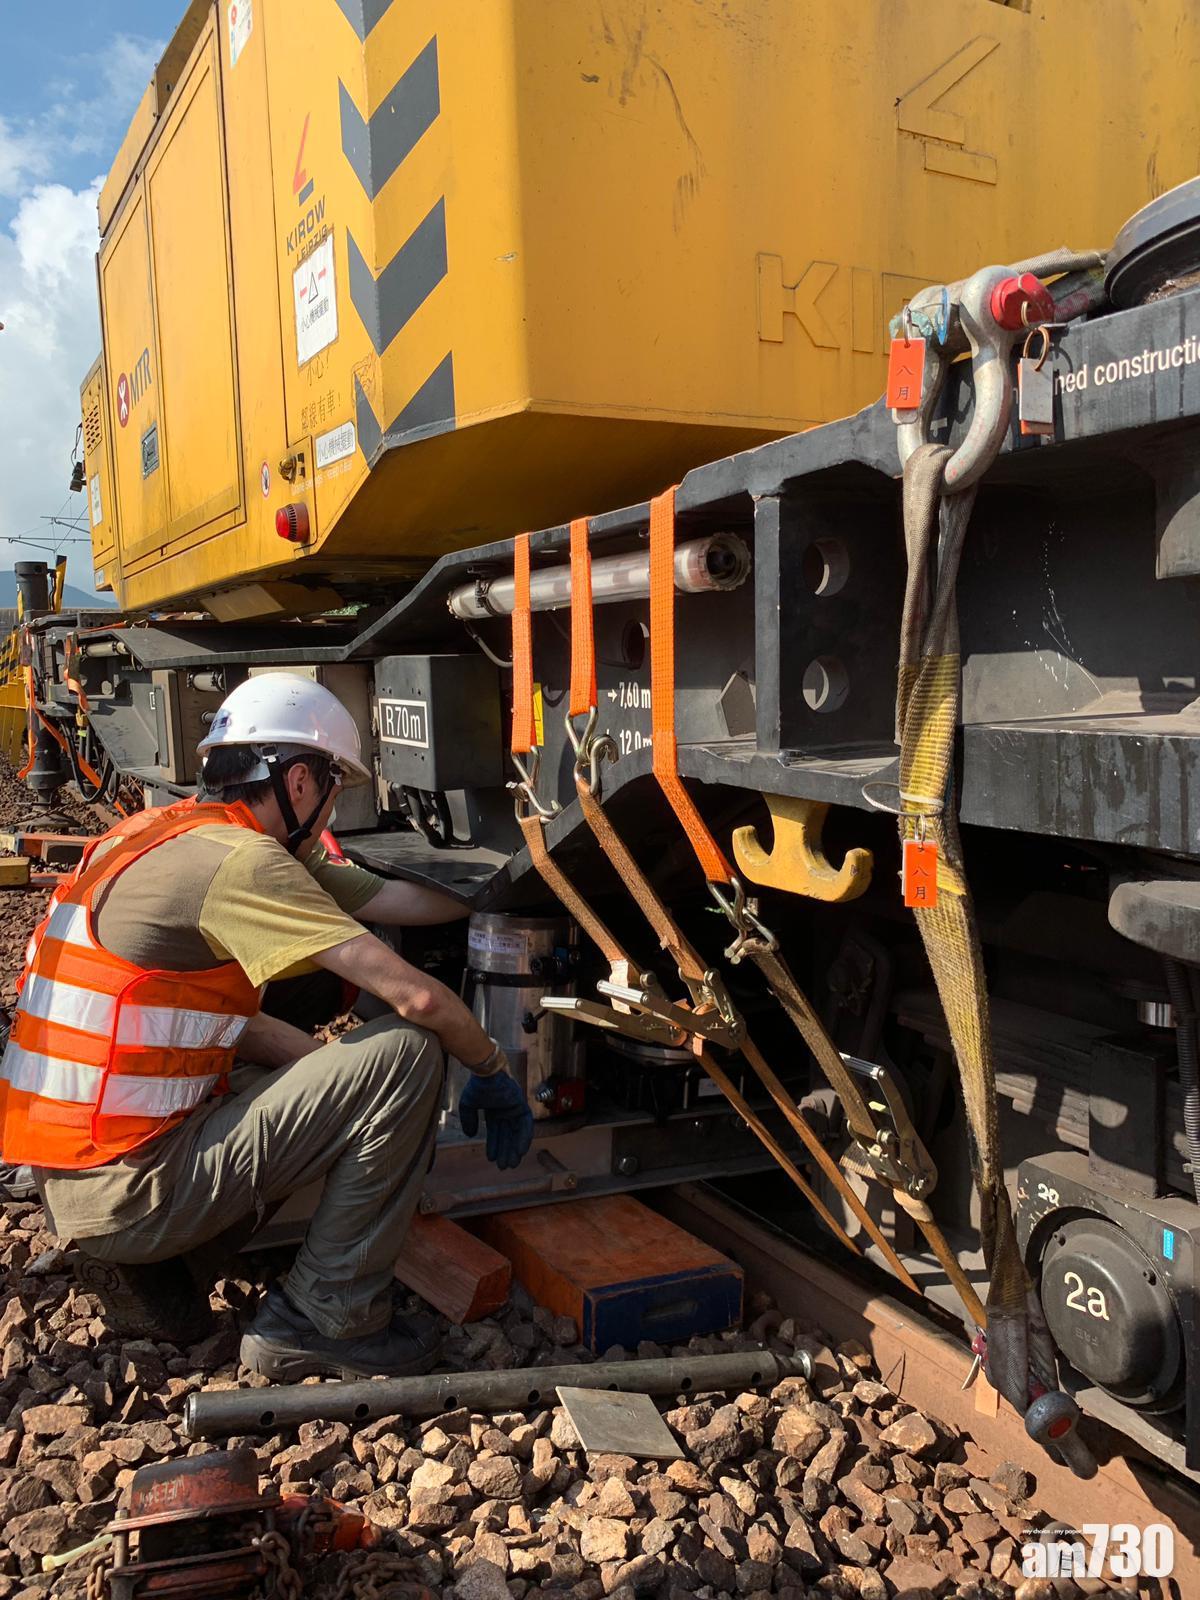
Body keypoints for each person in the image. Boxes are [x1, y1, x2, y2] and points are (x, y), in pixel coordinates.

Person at [0, 673, 534, 1379]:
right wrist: (489, 1068)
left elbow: (387, 902)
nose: (334, 805)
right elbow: (419, 1000)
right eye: (335, 787)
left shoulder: (156, 834)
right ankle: (327, 1315)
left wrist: (510, 884)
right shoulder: (244, 864)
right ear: (301, 781)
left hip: (78, 1173)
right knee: (405, 1056)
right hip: (131, 1192)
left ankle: (177, 1263)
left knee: (322, 1062)